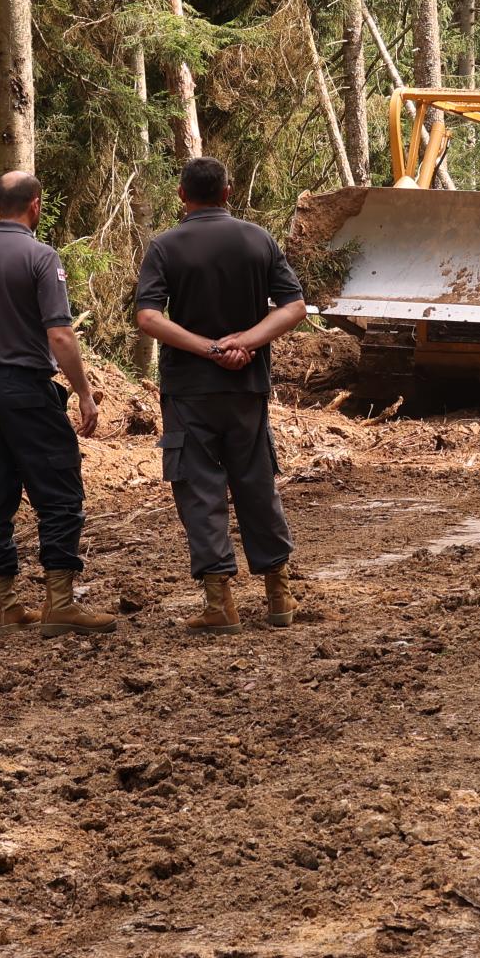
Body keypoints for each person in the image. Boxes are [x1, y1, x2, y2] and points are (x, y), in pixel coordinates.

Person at [129, 155, 313, 630]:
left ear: (181, 195)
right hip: (246, 389)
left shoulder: (165, 246)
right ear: (227, 192)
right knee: (256, 484)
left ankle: (220, 604)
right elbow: (294, 307)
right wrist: (245, 342)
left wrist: (209, 349)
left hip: (189, 392)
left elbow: (148, 317)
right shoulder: (258, 239)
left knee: (199, 491)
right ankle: (279, 596)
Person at [0, 171, 114, 633]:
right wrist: (83, 392)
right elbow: (60, 334)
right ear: (35, 205)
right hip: (27, 390)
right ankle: (60, 603)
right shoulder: (40, 257)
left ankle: (3, 604)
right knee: (59, 492)